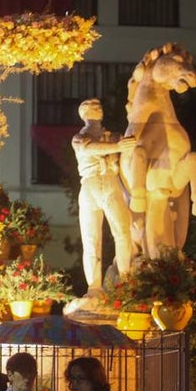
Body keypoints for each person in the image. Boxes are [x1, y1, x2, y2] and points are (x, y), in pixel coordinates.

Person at [71, 98, 138, 294]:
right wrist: (118, 147)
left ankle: (125, 285)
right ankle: (94, 288)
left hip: (111, 183)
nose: (98, 108)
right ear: (83, 113)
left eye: (99, 106)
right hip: (90, 185)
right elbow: (89, 148)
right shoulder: (79, 138)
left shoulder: (115, 136)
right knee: (91, 240)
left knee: (123, 233)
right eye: (93, 107)